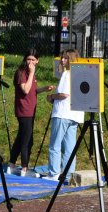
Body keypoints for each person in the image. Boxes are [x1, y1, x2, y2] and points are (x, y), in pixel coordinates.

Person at [8, 48, 55, 176]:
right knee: (27, 140)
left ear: (37, 61)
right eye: (28, 59)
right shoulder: (22, 72)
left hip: (30, 109)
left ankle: (11, 165)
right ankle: (24, 168)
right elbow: (25, 90)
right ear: (25, 59)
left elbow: (32, 90)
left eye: (33, 60)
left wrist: (44, 89)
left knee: (20, 138)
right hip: (24, 110)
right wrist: (32, 72)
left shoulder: (31, 73)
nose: (30, 62)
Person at [43, 49, 84, 182]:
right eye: (62, 58)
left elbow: (64, 94)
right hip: (75, 115)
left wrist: (51, 97)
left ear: (71, 60)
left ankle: (54, 173)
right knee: (69, 147)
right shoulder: (80, 75)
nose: (62, 60)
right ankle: (68, 174)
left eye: (65, 58)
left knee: (55, 145)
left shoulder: (67, 74)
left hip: (62, 114)